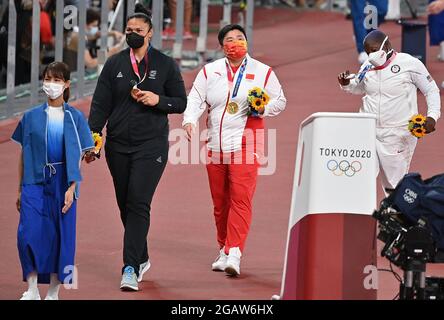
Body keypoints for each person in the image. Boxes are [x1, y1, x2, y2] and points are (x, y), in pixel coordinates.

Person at [87, 3, 187, 291]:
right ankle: (141, 256)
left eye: (138, 31)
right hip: (117, 144)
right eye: (128, 30)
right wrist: (93, 137)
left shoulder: (166, 65)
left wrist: (159, 101)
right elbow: (100, 105)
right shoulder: (115, 64)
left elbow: (180, 101)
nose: (132, 34)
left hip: (151, 145)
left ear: (150, 33)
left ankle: (129, 267)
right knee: (125, 204)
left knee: (139, 202)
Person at [183, 24, 286, 277]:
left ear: (247, 43)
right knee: (220, 202)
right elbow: (196, 98)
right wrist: (189, 119)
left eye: (240, 38)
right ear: (221, 46)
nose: (235, 42)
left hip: (247, 140)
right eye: (230, 39)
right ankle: (223, 249)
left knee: (240, 197)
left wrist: (263, 108)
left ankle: (235, 252)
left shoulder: (262, 71)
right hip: (215, 143)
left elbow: (280, 101)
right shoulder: (210, 71)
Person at [11, 61, 94, 300]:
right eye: (48, 79)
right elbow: (23, 154)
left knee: (61, 236)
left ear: (67, 84)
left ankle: (54, 292)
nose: (51, 84)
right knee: (28, 234)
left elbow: (80, 156)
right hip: (33, 183)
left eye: (57, 80)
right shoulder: (30, 117)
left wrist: (73, 187)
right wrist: (19, 189)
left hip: (63, 183)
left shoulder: (76, 117)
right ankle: (32, 289)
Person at [338, 30, 441, 194]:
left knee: (393, 186)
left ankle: (393, 218)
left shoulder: (410, 64)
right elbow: (360, 87)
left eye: (374, 49)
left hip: (397, 134)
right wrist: (346, 84)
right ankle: (360, 217)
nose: (371, 54)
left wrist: (432, 117)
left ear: (386, 45)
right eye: (367, 51)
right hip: (367, 130)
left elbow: (431, 90)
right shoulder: (368, 65)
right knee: (360, 177)